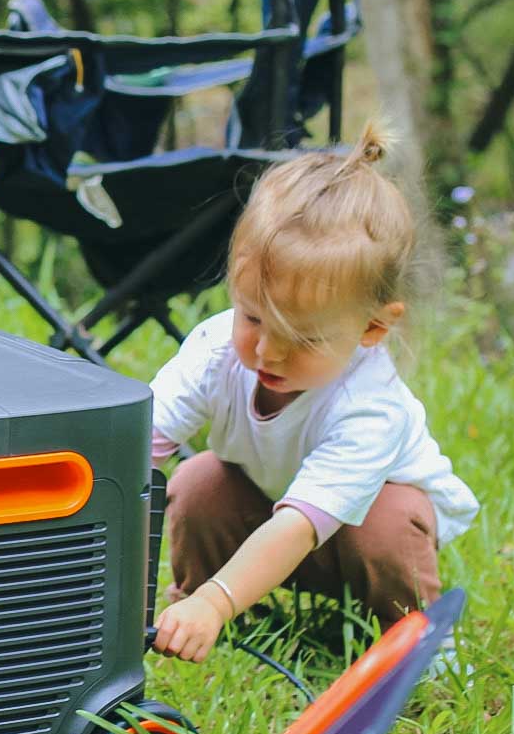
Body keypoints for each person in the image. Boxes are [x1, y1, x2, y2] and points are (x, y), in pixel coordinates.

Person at [148, 123, 477, 663]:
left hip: (350, 540)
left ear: (373, 329)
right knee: (198, 480)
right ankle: (196, 626)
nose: (267, 352)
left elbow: (301, 527)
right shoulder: (215, 351)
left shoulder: (370, 407)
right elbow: (135, 446)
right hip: (262, 521)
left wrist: (215, 600)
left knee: (388, 519)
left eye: (302, 337)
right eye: (253, 317)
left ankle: (411, 646)